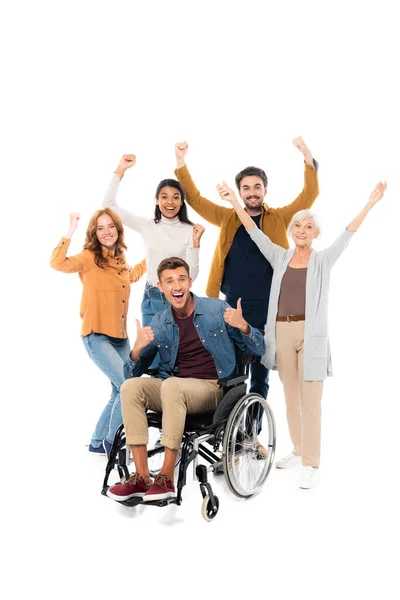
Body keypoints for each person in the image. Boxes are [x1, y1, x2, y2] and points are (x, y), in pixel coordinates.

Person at [216, 179, 387, 489]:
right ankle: (297, 450)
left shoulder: (322, 261)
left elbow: (348, 234)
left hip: (310, 335)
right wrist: (233, 203)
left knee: (311, 400)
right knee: (291, 397)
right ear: (291, 231)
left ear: (315, 233)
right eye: (297, 226)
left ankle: (311, 462)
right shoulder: (281, 257)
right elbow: (254, 233)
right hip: (281, 331)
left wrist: (370, 203)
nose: (301, 230)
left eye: (308, 227)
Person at [106, 257, 266, 503]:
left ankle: (167, 477)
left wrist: (244, 327)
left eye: (181, 279)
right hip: (175, 389)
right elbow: (131, 373)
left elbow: (259, 349)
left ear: (190, 282)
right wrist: (136, 350)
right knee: (130, 387)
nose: (176, 286)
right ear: (160, 287)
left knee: (171, 385)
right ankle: (141, 476)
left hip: (213, 388)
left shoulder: (216, 309)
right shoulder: (159, 321)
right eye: (169, 281)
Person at [174, 139, 319, 407]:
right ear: (239, 192)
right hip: (232, 306)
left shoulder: (279, 218)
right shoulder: (227, 217)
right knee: (230, 374)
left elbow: (308, 197)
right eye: (246, 188)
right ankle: (230, 432)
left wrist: (308, 158)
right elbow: (193, 199)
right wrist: (181, 162)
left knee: (260, 378)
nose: (252, 192)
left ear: (265, 190)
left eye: (257, 187)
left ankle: (252, 437)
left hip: (269, 309)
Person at [50, 208, 146, 457]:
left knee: (118, 389)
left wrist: (153, 258)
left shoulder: (120, 261)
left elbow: (132, 275)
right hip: (97, 336)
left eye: (110, 226)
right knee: (128, 387)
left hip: (120, 338)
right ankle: (111, 444)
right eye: (100, 228)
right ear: (94, 233)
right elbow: (57, 263)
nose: (106, 232)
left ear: (118, 230)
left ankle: (96, 441)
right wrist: (70, 230)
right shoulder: (89, 258)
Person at [103, 154, 205, 327]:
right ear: (157, 201)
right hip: (152, 298)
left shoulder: (190, 230)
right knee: (150, 352)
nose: (170, 202)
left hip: (179, 298)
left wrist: (196, 244)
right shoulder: (147, 226)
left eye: (176, 197)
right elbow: (109, 205)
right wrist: (121, 169)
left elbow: (191, 276)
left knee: (178, 353)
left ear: (182, 202)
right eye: (164, 197)